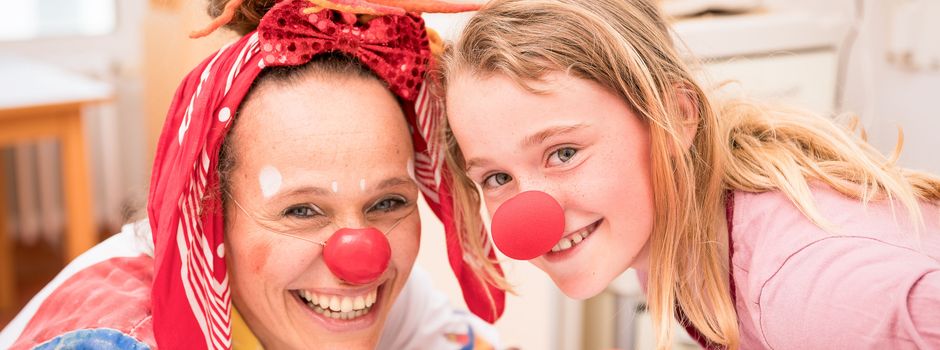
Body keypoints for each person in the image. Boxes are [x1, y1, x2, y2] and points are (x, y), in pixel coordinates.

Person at [0, 0, 504, 348]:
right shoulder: (112, 340)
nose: (362, 257)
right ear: (208, 216)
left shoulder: (378, 293)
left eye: (388, 202)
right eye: (301, 210)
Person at [438, 0, 940, 348]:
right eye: (497, 178)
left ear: (675, 117)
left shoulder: (807, 290)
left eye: (564, 152)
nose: (531, 218)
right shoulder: (674, 233)